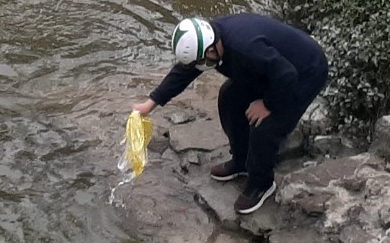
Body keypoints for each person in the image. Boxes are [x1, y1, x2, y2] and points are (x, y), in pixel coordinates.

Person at [131, 13, 330, 217]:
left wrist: (267, 104)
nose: (201, 67)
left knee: (265, 126)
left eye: (202, 61)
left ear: (211, 49)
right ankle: (242, 160)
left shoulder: (246, 48)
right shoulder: (212, 42)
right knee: (229, 97)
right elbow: (184, 72)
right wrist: (151, 103)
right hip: (270, 70)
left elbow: (286, 75)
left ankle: (261, 183)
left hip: (303, 72)